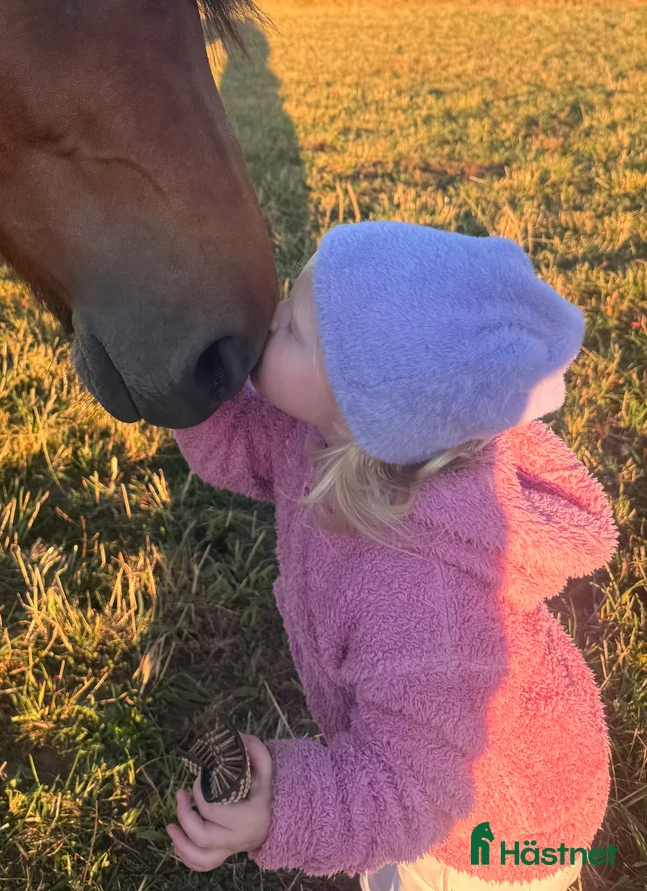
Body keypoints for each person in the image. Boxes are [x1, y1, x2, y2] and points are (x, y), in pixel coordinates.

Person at [168, 221, 618, 889]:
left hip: (503, 835)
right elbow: (244, 442)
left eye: (294, 327)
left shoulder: (420, 596)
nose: (274, 317)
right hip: (435, 775)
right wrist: (186, 383)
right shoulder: (331, 439)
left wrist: (279, 810)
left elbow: (404, 794)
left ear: (362, 409)